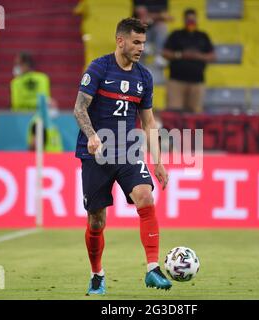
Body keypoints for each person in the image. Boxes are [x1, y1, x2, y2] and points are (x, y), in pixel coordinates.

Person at [73, 17, 171, 295]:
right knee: (96, 220)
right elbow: (79, 109)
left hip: (127, 151)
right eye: (136, 42)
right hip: (96, 155)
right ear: (121, 41)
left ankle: (152, 269)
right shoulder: (99, 69)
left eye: (144, 42)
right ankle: (97, 274)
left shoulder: (144, 77)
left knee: (146, 196)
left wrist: (158, 162)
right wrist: (92, 136)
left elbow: (149, 123)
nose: (141, 48)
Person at [162, 8, 216, 113]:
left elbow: (212, 56)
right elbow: (165, 53)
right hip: (176, 81)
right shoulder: (176, 35)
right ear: (184, 20)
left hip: (197, 82)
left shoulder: (203, 36)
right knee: (174, 113)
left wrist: (197, 56)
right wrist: (181, 55)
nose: (191, 22)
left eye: (193, 19)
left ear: (196, 19)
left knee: (195, 114)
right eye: (188, 19)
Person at [132, 0, 173, 67]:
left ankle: (159, 55)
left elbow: (165, 15)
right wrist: (159, 16)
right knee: (143, 22)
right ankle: (144, 45)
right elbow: (141, 14)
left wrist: (152, 17)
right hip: (139, 27)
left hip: (155, 25)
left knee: (162, 26)